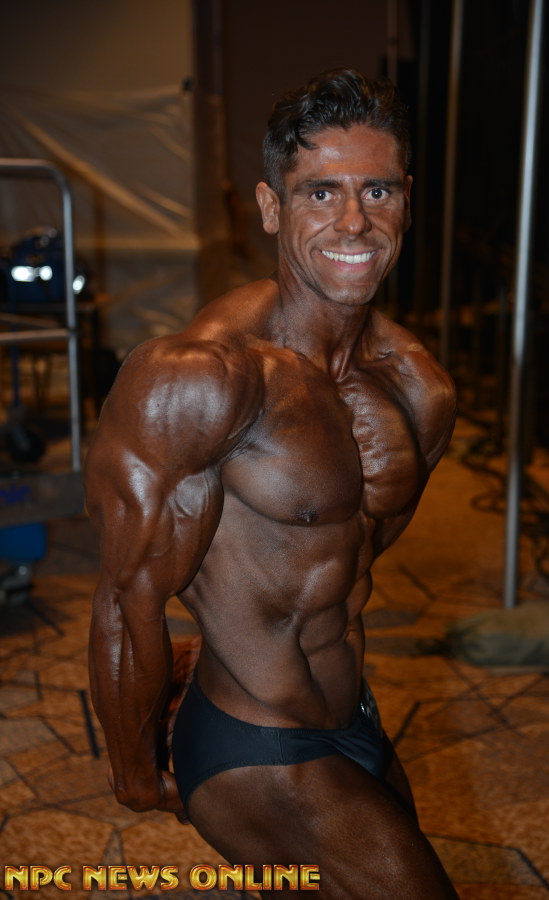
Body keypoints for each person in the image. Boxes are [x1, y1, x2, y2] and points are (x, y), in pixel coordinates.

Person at [85, 68, 458, 899]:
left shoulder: (419, 388)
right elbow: (124, 599)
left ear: (406, 200)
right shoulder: (203, 379)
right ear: (269, 206)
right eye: (320, 192)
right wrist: (135, 772)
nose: (354, 220)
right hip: (253, 744)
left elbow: (348, 556)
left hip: (354, 721)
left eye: (378, 191)